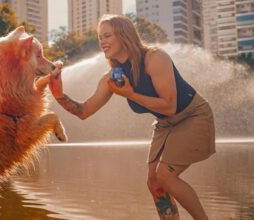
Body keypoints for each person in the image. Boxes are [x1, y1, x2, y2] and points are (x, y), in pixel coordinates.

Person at [48, 14, 215, 220]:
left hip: (192, 115)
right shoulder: (113, 77)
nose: (102, 42)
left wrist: (131, 94)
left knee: (165, 175)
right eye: (100, 37)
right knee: (154, 182)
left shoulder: (155, 58)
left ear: (124, 35)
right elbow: (84, 112)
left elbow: (170, 106)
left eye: (107, 35)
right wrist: (58, 94)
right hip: (165, 123)